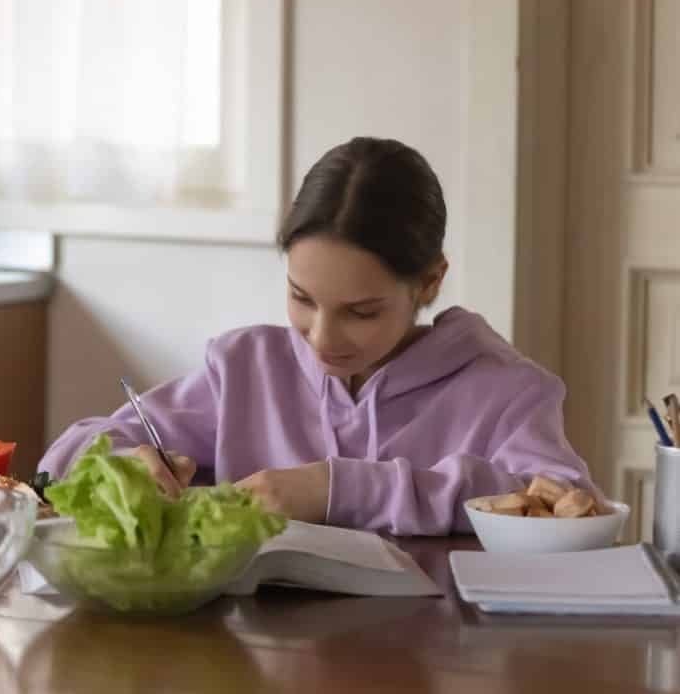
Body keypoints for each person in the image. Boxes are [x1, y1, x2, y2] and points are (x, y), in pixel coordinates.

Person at [37, 137, 592, 535]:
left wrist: (334, 490)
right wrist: (122, 462)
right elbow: (64, 458)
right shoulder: (244, 370)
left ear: (430, 281)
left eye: (361, 311)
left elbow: (565, 499)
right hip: (258, 668)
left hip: (430, 670)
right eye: (302, 298)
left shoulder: (506, 390)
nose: (322, 338)